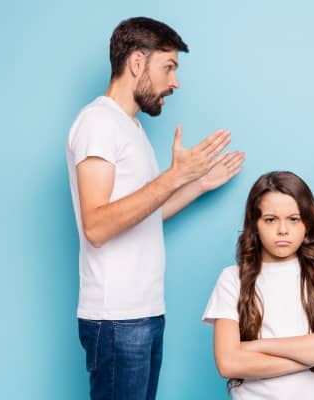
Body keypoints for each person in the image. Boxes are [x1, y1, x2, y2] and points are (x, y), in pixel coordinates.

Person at [66, 17, 244, 400]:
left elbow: (140, 217)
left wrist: (197, 183)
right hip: (116, 319)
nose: (174, 82)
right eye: (168, 67)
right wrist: (174, 176)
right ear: (136, 62)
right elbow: (96, 225)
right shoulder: (98, 123)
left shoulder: (130, 127)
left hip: (142, 313)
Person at [202, 171, 314, 399]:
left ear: (307, 223)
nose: (282, 230)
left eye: (293, 219)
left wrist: (254, 346)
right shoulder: (232, 279)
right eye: (270, 219)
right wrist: (313, 353)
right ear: (255, 225)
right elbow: (229, 363)